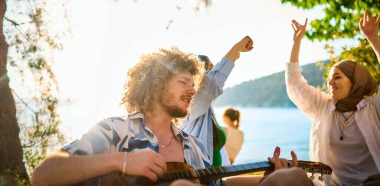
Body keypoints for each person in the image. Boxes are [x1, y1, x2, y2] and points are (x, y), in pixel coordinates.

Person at [32, 46, 310, 186]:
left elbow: (217, 184)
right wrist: (123, 160)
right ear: (155, 84)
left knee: (293, 179)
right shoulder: (115, 130)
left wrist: (266, 177)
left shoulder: (193, 146)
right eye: (183, 82)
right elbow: (43, 175)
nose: (192, 90)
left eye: (194, 83)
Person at [286, 10, 380, 186]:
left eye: (337, 77)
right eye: (329, 78)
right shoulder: (322, 106)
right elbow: (294, 83)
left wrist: (373, 38)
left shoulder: (373, 107)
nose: (330, 82)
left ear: (354, 81)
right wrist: (297, 42)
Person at [180, 36, 253, 167]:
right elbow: (214, 80)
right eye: (211, 69)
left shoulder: (205, 108)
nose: (214, 73)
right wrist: (236, 49)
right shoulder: (195, 102)